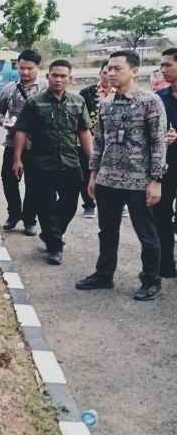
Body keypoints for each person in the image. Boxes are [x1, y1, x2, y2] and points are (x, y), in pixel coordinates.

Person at [76, 50, 168, 301]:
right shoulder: (106, 104)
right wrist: (93, 175)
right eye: (109, 69)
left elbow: (158, 143)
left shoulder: (150, 101)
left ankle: (151, 280)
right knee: (107, 230)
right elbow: (100, 142)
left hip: (139, 181)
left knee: (146, 233)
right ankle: (104, 274)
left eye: (118, 68)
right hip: (107, 180)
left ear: (134, 71)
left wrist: (156, 180)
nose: (111, 73)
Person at [12, 59, 93, 265]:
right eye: (54, 75)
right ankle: (55, 246)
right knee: (45, 206)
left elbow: (84, 132)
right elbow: (21, 131)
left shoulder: (78, 102)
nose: (58, 79)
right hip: (40, 164)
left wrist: (92, 162)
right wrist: (17, 159)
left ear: (70, 78)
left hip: (70, 162)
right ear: (47, 77)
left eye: (63, 76)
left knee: (69, 206)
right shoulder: (35, 102)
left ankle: (50, 233)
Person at [0, 49, 44, 235]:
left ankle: (30, 219)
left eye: (29, 69)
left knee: (34, 183)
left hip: (37, 145)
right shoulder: (9, 89)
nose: (24, 72)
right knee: (9, 180)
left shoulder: (45, 89)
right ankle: (13, 214)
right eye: (21, 68)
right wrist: (4, 123)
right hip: (12, 142)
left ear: (37, 68)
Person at [78, 61, 115, 218]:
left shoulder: (121, 91)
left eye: (111, 72)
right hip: (90, 138)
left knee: (113, 171)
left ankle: (116, 203)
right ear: (100, 73)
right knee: (88, 171)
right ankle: (89, 204)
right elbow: (80, 116)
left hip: (113, 140)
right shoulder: (87, 92)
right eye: (104, 72)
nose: (107, 76)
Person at [153, 48, 177, 277]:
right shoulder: (159, 98)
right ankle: (166, 266)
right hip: (167, 167)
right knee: (161, 216)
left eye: (167, 65)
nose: (163, 70)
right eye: (161, 65)